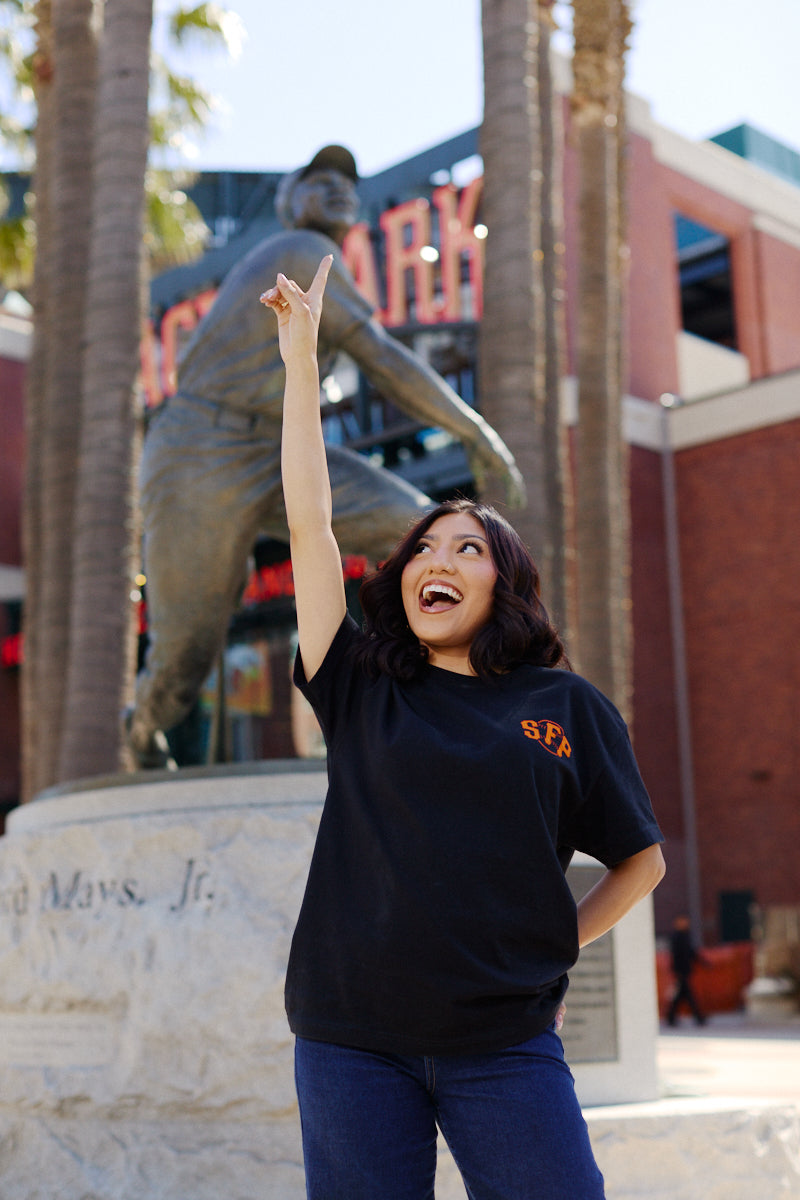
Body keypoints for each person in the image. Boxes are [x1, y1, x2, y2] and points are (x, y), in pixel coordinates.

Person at [261, 256, 666, 1200]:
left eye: (467, 547)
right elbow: (311, 524)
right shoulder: (361, 680)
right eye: (423, 548)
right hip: (351, 1040)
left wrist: (555, 946)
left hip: (506, 1046)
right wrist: (298, 362)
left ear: (503, 582)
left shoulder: (565, 707)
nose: (436, 558)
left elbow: (638, 859)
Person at [127, 145, 523, 768]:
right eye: (319, 180)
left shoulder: (323, 265)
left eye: (346, 182)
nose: (337, 188)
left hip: (272, 445)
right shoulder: (297, 249)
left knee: (418, 532)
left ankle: (423, 692)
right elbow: (385, 360)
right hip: (199, 452)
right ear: (291, 202)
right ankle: (142, 728)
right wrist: (475, 432)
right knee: (187, 651)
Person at [667, 914, 707, 1026]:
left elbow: (690, 952)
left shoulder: (684, 936)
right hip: (681, 971)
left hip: (683, 970)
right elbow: (679, 955)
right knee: (687, 995)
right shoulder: (678, 937)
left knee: (682, 996)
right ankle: (698, 1018)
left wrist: (702, 962)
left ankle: (671, 1018)